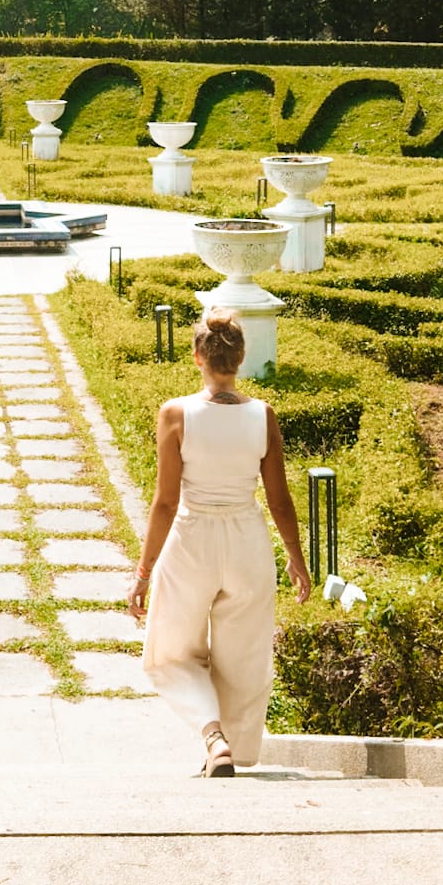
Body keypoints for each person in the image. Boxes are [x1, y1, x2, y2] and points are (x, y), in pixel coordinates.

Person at [128, 308, 311, 776]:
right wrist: (296, 558)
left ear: (198, 357)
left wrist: (143, 573)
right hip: (247, 541)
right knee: (244, 655)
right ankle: (237, 747)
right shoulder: (262, 415)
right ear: (241, 358)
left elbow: (165, 503)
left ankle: (214, 739)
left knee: (169, 651)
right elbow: (280, 499)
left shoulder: (175, 414)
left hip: (192, 540)